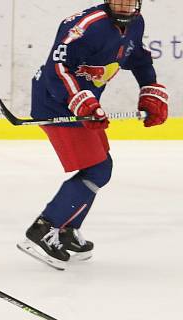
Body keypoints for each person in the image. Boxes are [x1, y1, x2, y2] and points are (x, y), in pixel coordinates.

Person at [18, 0, 168, 270]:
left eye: (129, 2)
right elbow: (58, 69)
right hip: (56, 102)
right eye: (118, 0)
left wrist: (149, 87)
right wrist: (79, 100)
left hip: (84, 104)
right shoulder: (85, 27)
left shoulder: (136, 23)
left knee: (101, 167)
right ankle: (43, 229)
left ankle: (65, 230)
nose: (123, 7)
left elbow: (137, 57)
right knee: (97, 170)